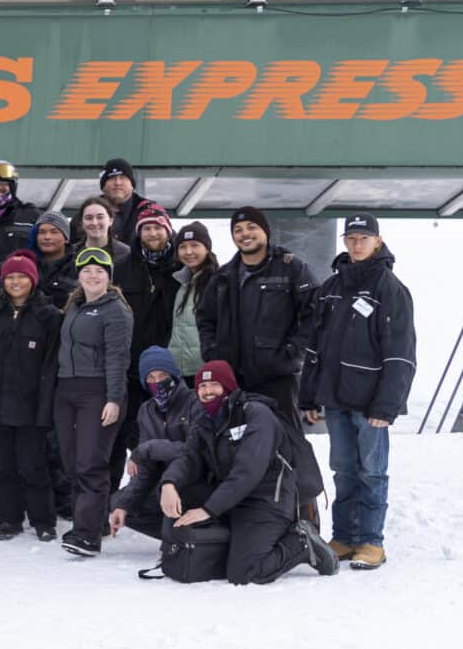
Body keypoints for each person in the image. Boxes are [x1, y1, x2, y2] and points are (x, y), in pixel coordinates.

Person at [300, 212, 416, 570]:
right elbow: (314, 348)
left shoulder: (390, 289)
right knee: (343, 470)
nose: (357, 243)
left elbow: (401, 354)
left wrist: (387, 405)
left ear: (377, 242)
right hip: (335, 401)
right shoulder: (331, 288)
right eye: (351, 238)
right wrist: (309, 396)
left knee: (371, 472)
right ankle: (345, 538)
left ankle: (371, 542)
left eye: (364, 238)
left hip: (371, 405)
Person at [158, 362, 341, 584]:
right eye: (202, 386)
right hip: (231, 497)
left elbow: (248, 470)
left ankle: (301, 542)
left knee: (245, 572)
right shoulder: (204, 420)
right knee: (178, 493)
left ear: (228, 387)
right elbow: (189, 458)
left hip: (266, 498)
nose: (207, 392)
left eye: (214, 385)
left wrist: (209, 509)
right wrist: (169, 483)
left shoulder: (256, 414)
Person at [0, 251, 62, 541]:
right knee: (2, 466)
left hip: (32, 408)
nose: (15, 282)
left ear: (32, 280)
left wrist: (46, 410)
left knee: (33, 466)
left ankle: (43, 520)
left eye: (21, 276)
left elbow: (52, 365)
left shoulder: (49, 316)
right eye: (10, 277)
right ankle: (10, 520)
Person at [197, 207, 317, 426]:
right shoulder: (223, 276)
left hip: (278, 377)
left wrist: (293, 351)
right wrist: (212, 352)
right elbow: (205, 318)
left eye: (252, 227)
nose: (245, 234)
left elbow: (314, 315)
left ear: (266, 232)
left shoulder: (291, 268)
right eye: (238, 230)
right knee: (238, 444)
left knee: (287, 445)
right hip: (233, 378)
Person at [56, 248, 134, 557]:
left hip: (97, 390)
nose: (92, 275)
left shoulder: (116, 309)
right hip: (66, 390)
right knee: (72, 461)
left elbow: (118, 357)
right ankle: (87, 522)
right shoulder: (74, 305)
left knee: (91, 462)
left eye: (99, 270)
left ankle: (87, 535)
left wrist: (113, 399)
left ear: (108, 276)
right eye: (86, 270)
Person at [111, 203, 179, 488]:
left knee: (167, 432)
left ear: (167, 231)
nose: (152, 233)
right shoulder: (123, 267)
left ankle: (162, 490)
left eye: (157, 227)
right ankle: (112, 494)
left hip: (168, 367)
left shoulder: (180, 266)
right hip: (129, 365)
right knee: (123, 431)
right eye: (146, 228)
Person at [105, 347, 199, 540]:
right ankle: (177, 535)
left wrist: (149, 448)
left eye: (163, 375)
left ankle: (196, 534)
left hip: (195, 480)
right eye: (151, 378)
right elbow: (147, 467)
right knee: (119, 501)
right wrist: (124, 505)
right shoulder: (146, 411)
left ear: (174, 374)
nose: (157, 382)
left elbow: (194, 451)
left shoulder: (194, 402)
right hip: (162, 482)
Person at [168, 222, 216, 378]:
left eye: (194, 245)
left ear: (207, 248)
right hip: (179, 370)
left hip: (206, 370)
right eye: (182, 246)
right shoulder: (178, 283)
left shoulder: (218, 282)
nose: (188, 252)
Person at [30, 210, 79, 308]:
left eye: (54, 232)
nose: (47, 237)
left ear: (66, 238)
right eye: (42, 232)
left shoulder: (79, 266)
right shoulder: (27, 263)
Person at [98, 158, 145, 251]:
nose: (117, 183)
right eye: (112, 178)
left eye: (123, 178)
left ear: (132, 185)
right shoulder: (88, 213)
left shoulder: (149, 210)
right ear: (103, 187)